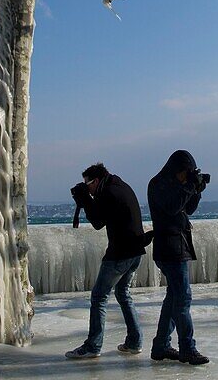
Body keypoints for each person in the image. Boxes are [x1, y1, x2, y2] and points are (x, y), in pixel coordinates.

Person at [65, 163, 149, 360]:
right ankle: (134, 342)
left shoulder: (109, 193)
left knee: (99, 297)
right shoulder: (122, 187)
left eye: (88, 185)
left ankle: (93, 345)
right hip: (135, 251)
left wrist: (85, 199)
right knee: (122, 293)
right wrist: (88, 198)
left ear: (96, 181)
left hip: (121, 253)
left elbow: (97, 222)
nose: (88, 190)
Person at [148, 149, 210, 365]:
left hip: (179, 246)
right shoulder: (158, 184)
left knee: (174, 299)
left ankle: (161, 346)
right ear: (177, 169)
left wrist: (197, 190)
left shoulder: (177, 184)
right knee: (183, 299)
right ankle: (187, 348)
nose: (187, 176)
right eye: (186, 172)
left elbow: (189, 209)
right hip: (169, 248)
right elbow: (173, 208)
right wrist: (189, 186)